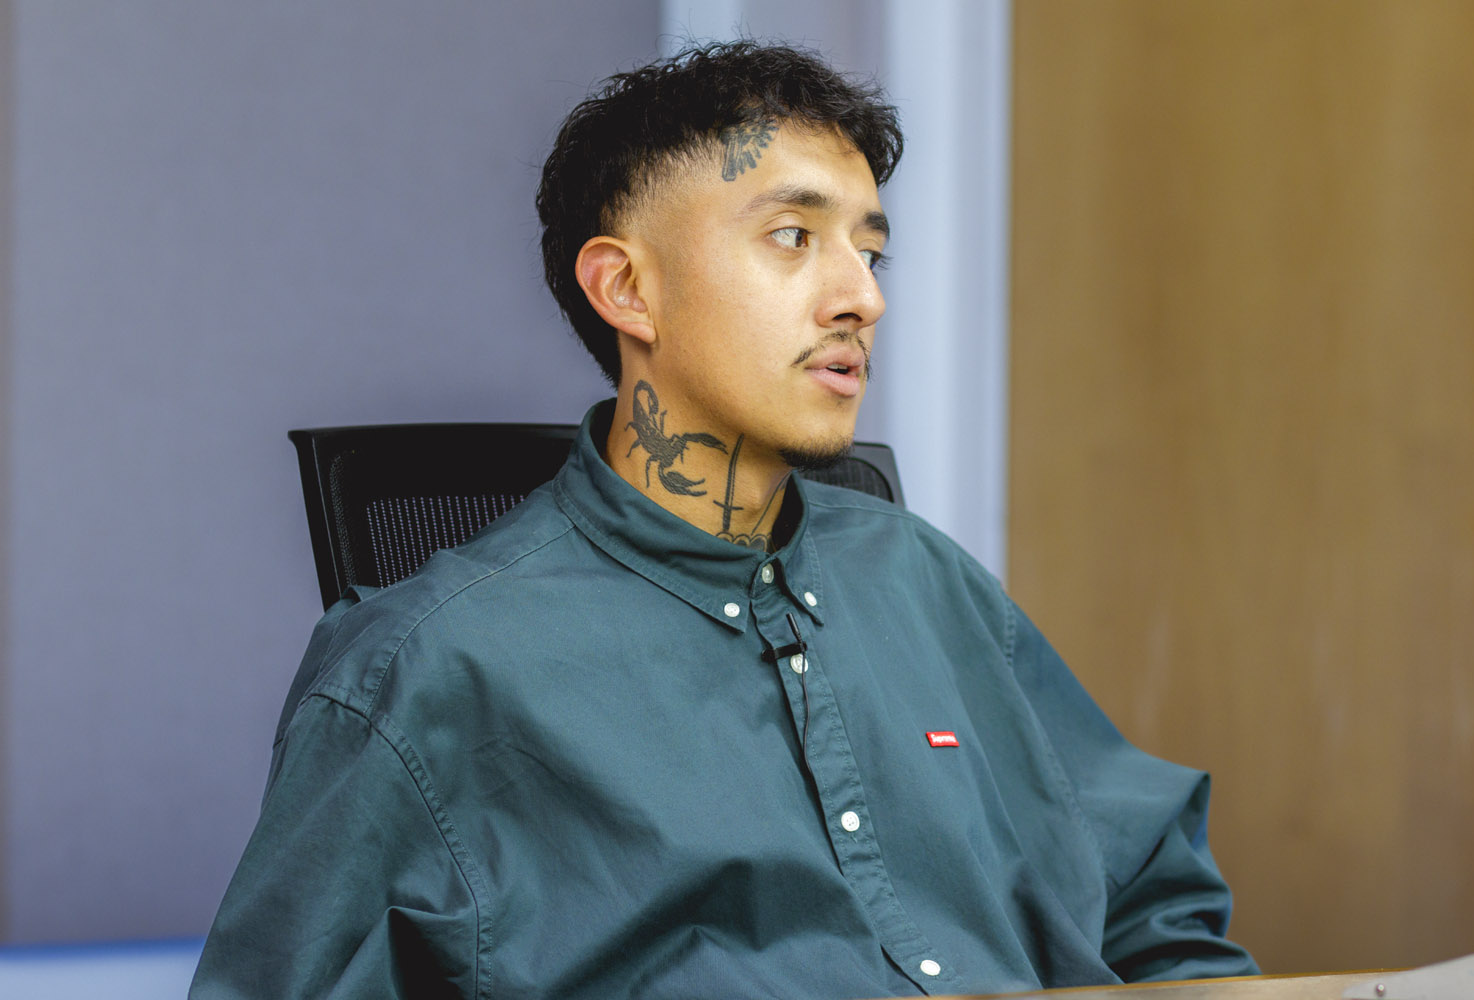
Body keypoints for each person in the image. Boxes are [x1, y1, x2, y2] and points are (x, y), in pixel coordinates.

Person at [190, 41, 1257, 999]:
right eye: (793, 237)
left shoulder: (924, 579)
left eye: (870, 252)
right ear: (627, 290)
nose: (862, 298)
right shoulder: (424, 669)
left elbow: (1155, 897)